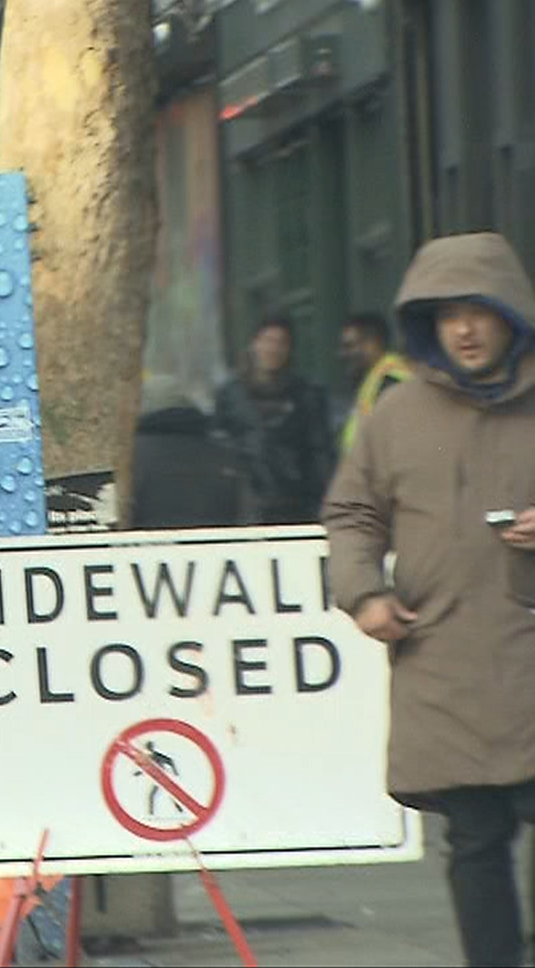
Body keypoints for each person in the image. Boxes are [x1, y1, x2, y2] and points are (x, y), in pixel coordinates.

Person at [321, 231, 535, 968]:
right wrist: (364, 594)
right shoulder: (397, 416)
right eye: (448, 315)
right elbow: (352, 514)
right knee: (475, 842)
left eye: (480, 310)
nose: (466, 329)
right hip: (446, 658)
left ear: (514, 313)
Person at [213, 315, 335, 523]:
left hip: (297, 504)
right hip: (247, 505)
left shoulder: (306, 395)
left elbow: (319, 452)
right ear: (254, 344)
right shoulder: (230, 395)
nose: (273, 349)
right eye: (267, 341)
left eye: (281, 343)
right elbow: (220, 447)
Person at [129, 379, 253, 529]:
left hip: (145, 549)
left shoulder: (131, 458)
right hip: (215, 550)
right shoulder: (224, 457)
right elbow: (248, 519)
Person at [337, 310, 413, 453]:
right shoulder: (374, 381)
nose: (342, 354)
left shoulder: (391, 382)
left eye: (349, 346)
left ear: (372, 343)